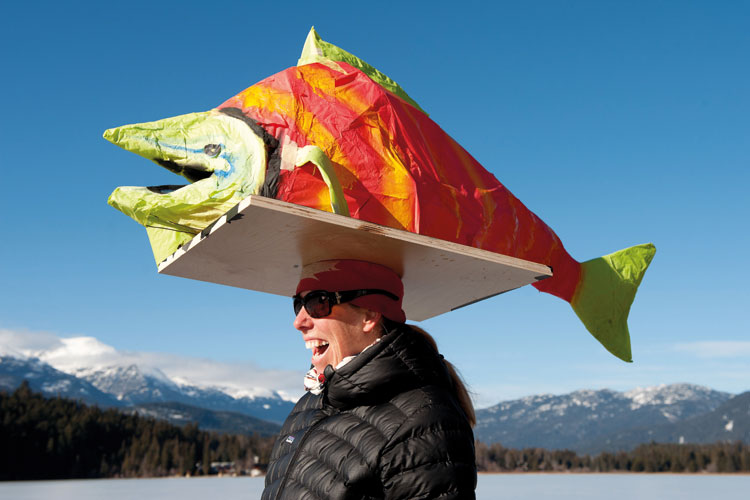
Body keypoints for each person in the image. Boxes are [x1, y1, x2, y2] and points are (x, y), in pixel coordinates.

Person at [261, 260, 477, 500]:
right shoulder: (309, 404)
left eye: (317, 303)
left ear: (370, 314)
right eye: (298, 304)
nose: (298, 322)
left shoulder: (423, 418)